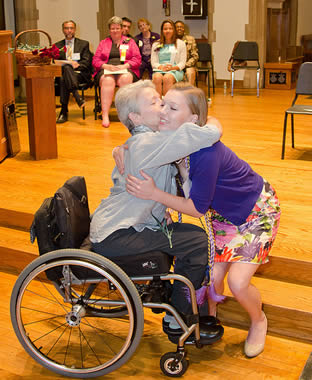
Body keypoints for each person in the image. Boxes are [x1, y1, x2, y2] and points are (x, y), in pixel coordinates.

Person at [124, 82, 281, 358]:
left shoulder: (205, 152)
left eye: (173, 107)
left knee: (238, 283)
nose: (163, 111)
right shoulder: (173, 139)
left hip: (255, 211)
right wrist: (122, 149)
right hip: (222, 214)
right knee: (213, 278)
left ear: (194, 118)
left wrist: (155, 194)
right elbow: (140, 142)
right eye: (163, 104)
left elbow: (196, 208)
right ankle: (209, 320)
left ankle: (258, 320)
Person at [89, 80, 224, 344]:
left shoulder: (139, 143)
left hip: (120, 227)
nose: (162, 105)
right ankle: (177, 317)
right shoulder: (147, 144)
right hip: (118, 234)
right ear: (135, 117)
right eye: (154, 102)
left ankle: (178, 300)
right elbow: (204, 134)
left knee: (189, 236)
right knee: (196, 241)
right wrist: (215, 123)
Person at [92, 16, 141, 128]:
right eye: (112, 28)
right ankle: (105, 115)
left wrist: (126, 65)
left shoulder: (130, 42)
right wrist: (106, 65)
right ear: (109, 30)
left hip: (125, 68)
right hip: (107, 69)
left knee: (126, 78)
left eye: (117, 28)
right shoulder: (103, 42)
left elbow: (137, 59)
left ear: (121, 29)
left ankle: (125, 114)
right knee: (108, 81)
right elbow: (95, 60)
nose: (115, 31)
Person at [55, 20, 92, 124]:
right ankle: (77, 97)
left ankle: (64, 111)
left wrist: (78, 65)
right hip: (64, 74)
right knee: (65, 72)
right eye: (66, 28)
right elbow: (55, 62)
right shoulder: (57, 46)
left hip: (79, 74)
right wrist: (67, 65)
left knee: (65, 76)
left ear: (75, 29)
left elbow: (87, 62)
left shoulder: (84, 44)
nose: (69, 30)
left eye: (71, 28)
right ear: (63, 30)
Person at [151, 19, 186, 96]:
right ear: (162, 31)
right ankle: (158, 104)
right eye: (165, 29)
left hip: (175, 70)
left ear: (174, 30)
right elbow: (153, 62)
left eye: (170, 28)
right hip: (160, 69)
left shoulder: (181, 43)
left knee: (167, 78)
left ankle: (168, 104)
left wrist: (172, 68)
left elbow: (182, 63)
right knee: (157, 78)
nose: (168, 31)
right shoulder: (156, 44)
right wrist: (161, 67)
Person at [175, 20, 199, 86]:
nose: (179, 28)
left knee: (190, 72)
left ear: (184, 29)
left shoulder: (190, 39)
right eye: (177, 27)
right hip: (175, 66)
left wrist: (185, 65)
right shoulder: (170, 39)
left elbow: (195, 56)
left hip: (188, 65)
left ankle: (189, 93)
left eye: (181, 27)